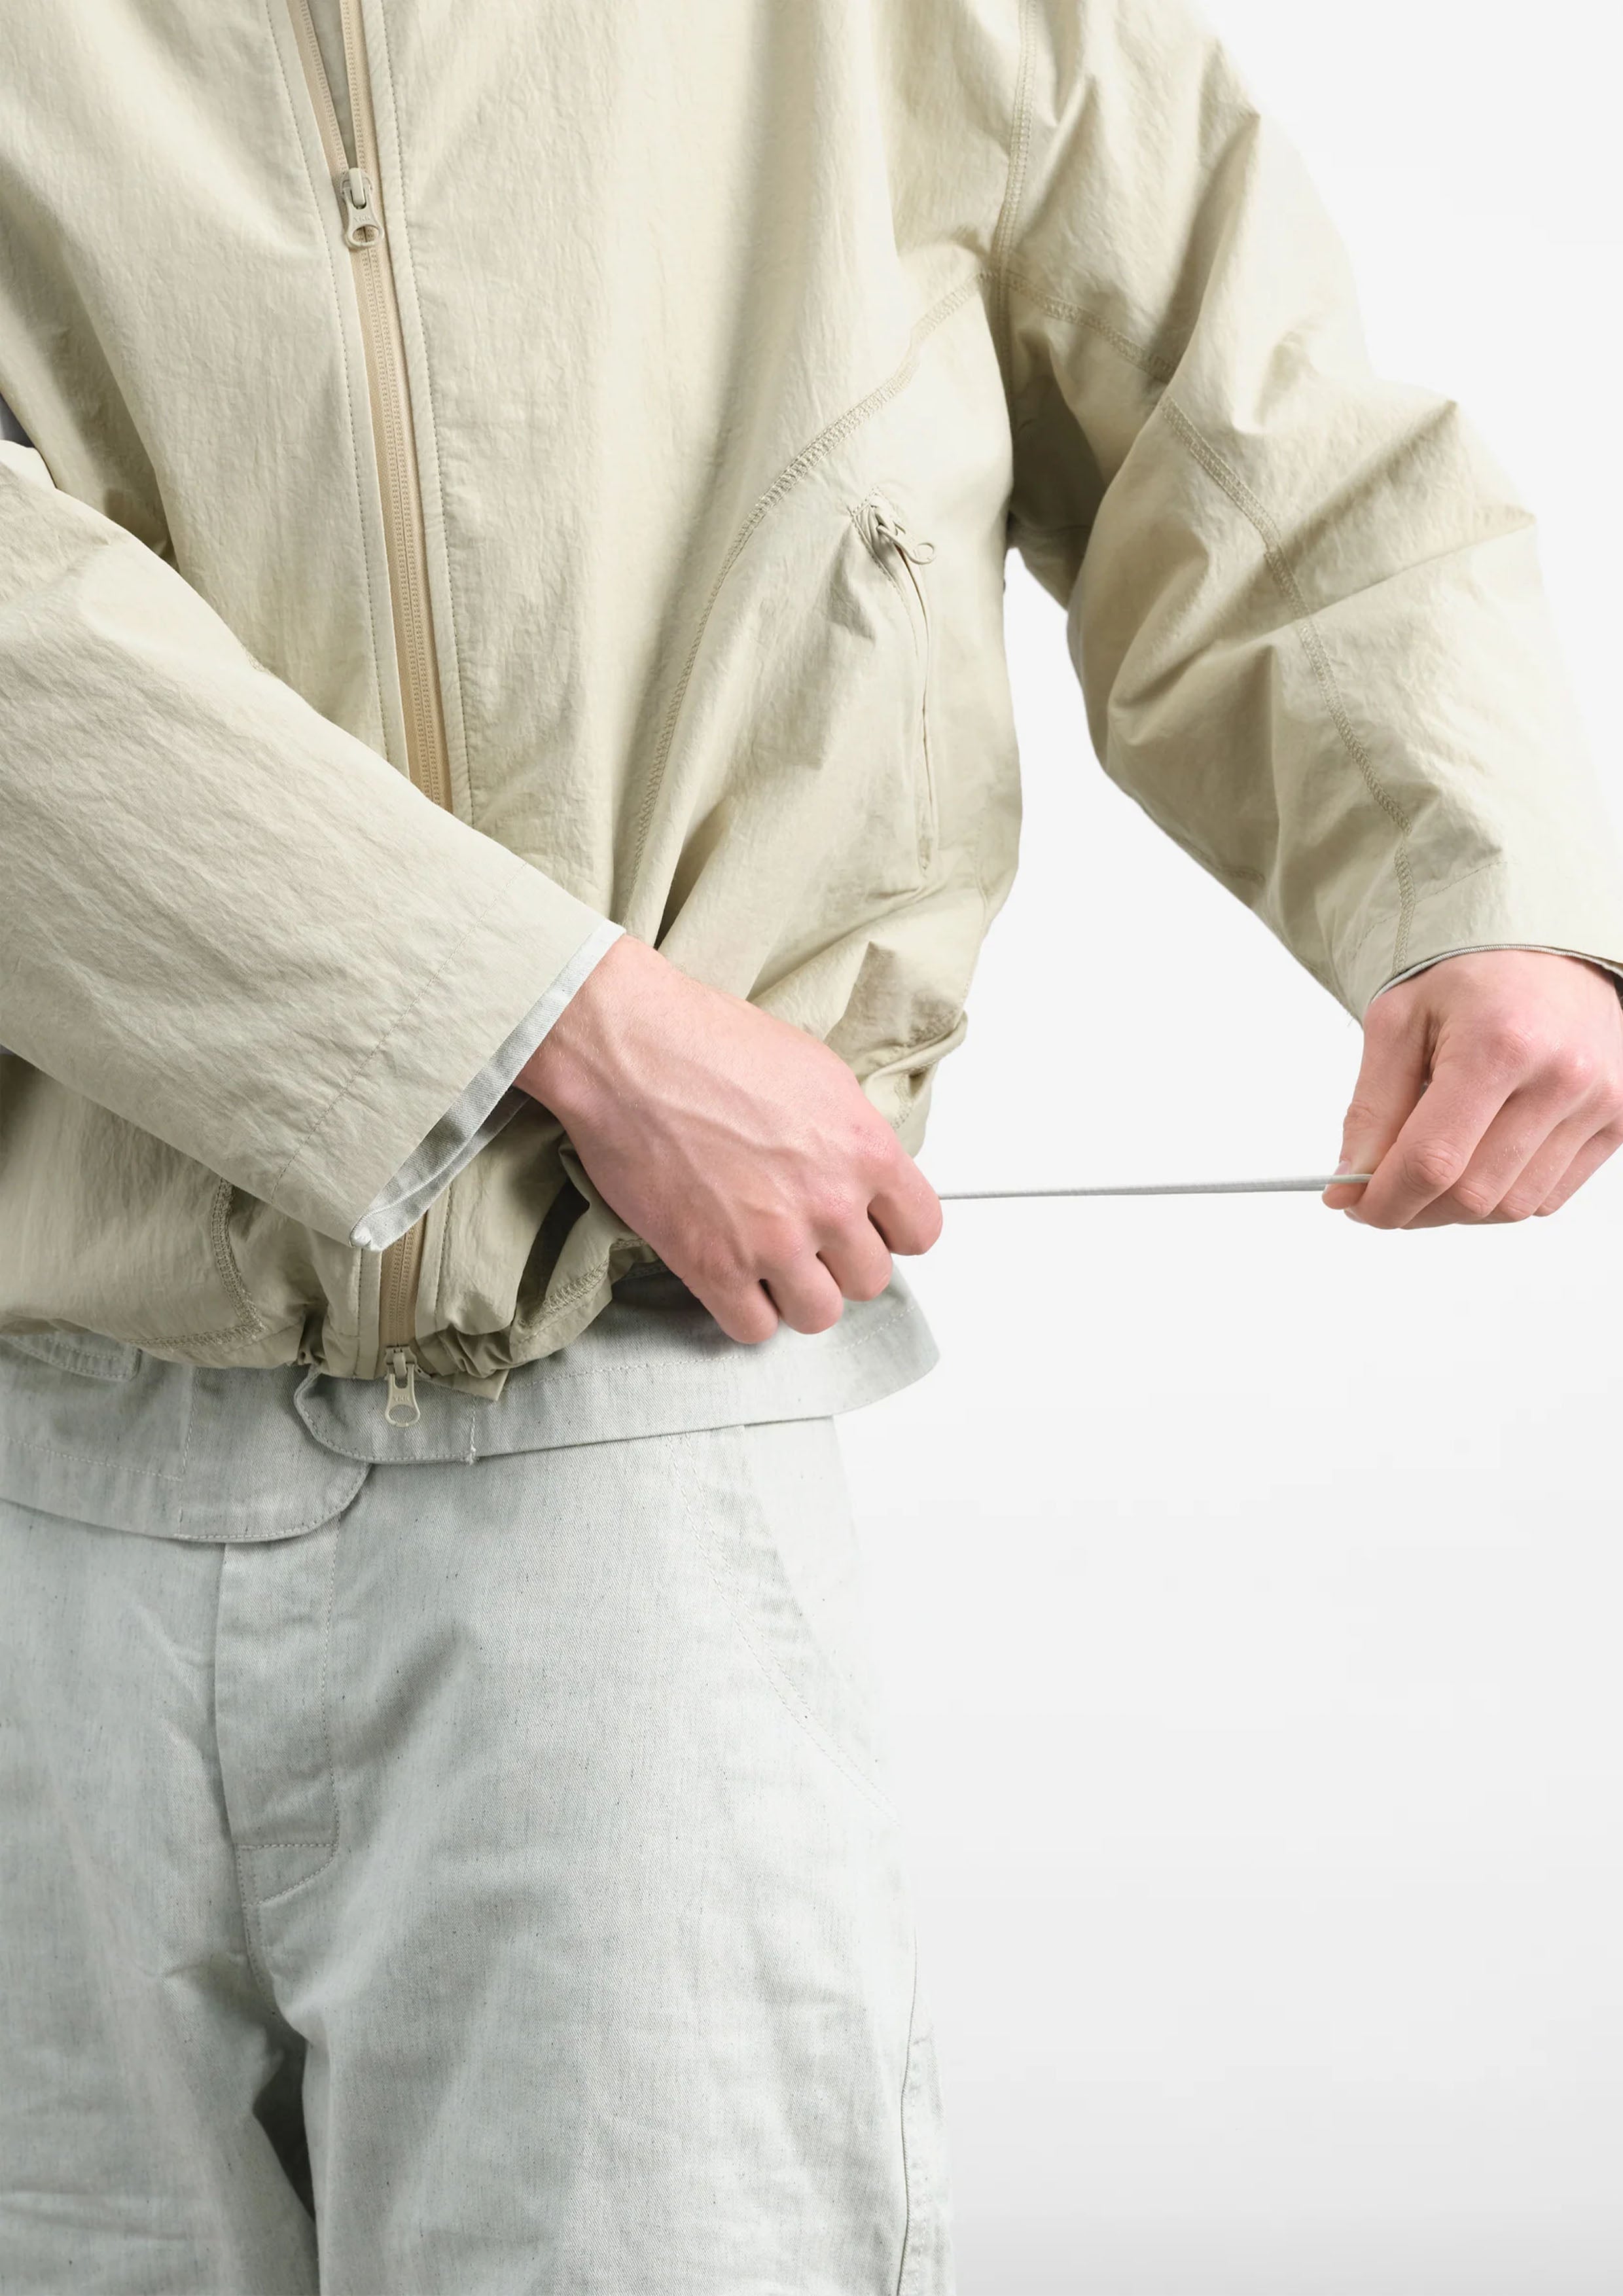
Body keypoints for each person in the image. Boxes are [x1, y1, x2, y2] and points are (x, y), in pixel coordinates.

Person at [3, 0, 1621, 2286]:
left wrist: (1488, 878)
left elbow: (1232, 392)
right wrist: (553, 1017)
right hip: (33, 1478)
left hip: (618, 1442)